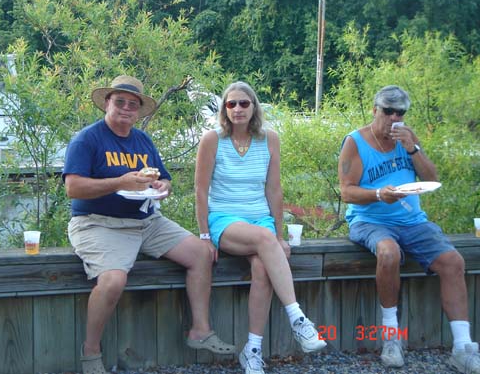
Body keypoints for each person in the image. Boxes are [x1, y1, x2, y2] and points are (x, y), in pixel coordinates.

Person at [63, 75, 235, 374]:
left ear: (139, 111)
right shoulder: (87, 139)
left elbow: (163, 177)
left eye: (133, 104)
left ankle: (200, 330)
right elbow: (73, 188)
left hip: (146, 221)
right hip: (99, 224)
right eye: (119, 102)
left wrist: (163, 187)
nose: (125, 108)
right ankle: (90, 353)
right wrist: (120, 181)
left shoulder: (142, 140)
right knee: (113, 281)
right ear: (107, 103)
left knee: (202, 253)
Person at [338, 85, 480, 373]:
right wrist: (379, 194)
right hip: (370, 220)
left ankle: (462, 347)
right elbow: (346, 192)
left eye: (400, 112)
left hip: (412, 221)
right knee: (388, 253)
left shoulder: (407, 137)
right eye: (388, 111)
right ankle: (392, 337)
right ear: (375, 110)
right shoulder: (355, 141)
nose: (394, 118)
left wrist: (413, 148)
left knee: (453, 261)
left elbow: (432, 178)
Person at [194, 81, 326, 374]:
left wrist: (279, 235)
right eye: (231, 104)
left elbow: (274, 189)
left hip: (261, 220)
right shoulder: (212, 139)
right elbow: (200, 191)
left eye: (244, 103)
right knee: (267, 240)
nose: (237, 109)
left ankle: (252, 350)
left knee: (262, 268)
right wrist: (204, 236)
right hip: (225, 219)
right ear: (224, 109)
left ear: (254, 107)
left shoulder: (270, 139)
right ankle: (298, 319)